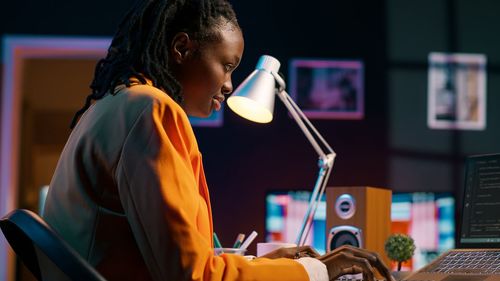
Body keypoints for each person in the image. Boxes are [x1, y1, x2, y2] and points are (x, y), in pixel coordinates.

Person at [43, 0, 394, 280]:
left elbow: (181, 262)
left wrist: (268, 265)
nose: (229, 84)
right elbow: (193, 275)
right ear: (182, 48)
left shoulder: (115, 105)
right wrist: (317, 270)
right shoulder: (152, 111)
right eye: (227, 65)